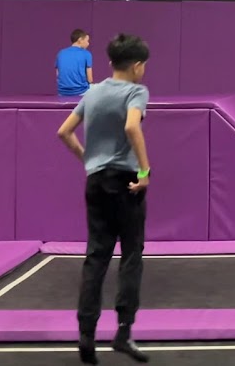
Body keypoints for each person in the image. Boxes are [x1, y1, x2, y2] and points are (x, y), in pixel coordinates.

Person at [56, 34, 153, 364]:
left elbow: (64, 131)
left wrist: (88, 159)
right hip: (126, 181)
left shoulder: (93, 92)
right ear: (137, 66)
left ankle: (86, 335)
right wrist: (144, 171)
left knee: (96, 256)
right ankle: (123, 332)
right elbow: (132, 127)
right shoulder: (136, 91)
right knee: (131, 254)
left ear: (110, 63)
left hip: (96, 181)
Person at [57, 29, 94, 97]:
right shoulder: (87, 54)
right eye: (87, 40)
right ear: (80, 40)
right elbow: (90, 79)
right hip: (81, 92)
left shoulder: (61, 53)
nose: (88, 43)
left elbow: (58, 75)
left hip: (62, 92)